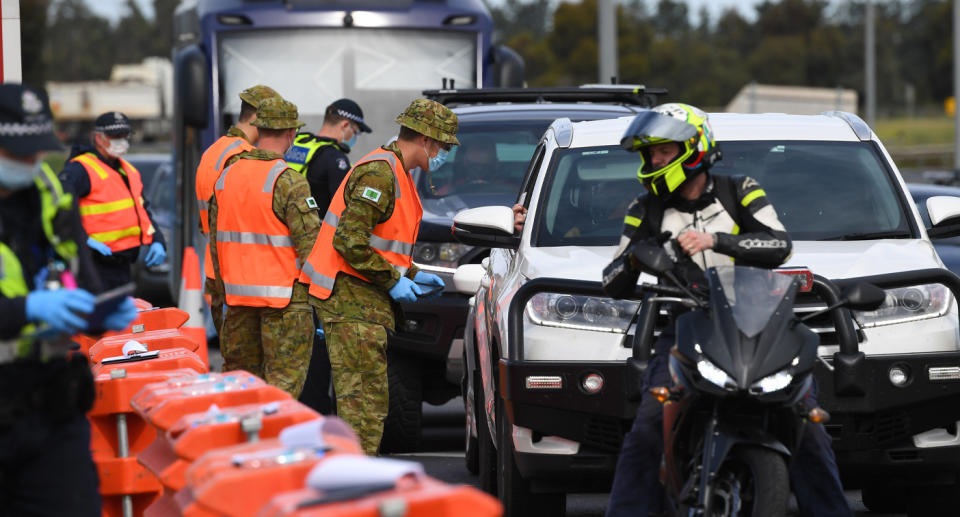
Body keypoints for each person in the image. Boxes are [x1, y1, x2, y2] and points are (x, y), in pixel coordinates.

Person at [600, 103, 850, 517]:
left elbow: (779, 244)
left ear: (694, 148)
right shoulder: (644, 209)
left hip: (758, 329)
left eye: (663, 151)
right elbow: (611, 281)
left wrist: (718, 242)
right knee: (648, 426)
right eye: (651, 154)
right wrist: (637, 259)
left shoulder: (741, 189)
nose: (654, 161)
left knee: (808, 422)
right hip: (685, 332)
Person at [0, 83, 137, 515]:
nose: (30, 162)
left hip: (49, 403)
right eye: (17, 152)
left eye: (36, 151)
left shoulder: (50, 196)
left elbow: (83, 279)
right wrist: (27, 310)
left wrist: (102, 311)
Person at [298, 98, 455, 454]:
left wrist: (413, 273)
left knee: (368, 408)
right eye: (443, 146)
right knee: (362, 413)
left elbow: (380, 246)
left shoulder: (394, 171)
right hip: (353, 307)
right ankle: (353, 489)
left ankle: (353, 482)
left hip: (361, 306)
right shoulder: (381, 173)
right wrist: (394, 281)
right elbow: (350, 242)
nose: (444, 154)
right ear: (428, 140)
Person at [208, 96, 321, 397]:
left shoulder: (225, 176)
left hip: (237, 303)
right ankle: (273, 445)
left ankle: (241, 443)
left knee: (240, 390)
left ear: (258, 131)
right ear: (290, 134)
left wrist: (222, 297)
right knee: (280, 393)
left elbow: (215, 246)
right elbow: (312, 251)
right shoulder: (289, 182)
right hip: (284, 305)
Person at [195, 84, 279, 337]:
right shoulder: (242, 157)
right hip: (242, 280)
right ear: (257, 118)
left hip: (219, 273)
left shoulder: (215, 150)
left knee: (235, 366)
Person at [58, 111, 167, 290]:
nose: (121, 141)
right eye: (115, 136)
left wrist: (157, 239)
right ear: (98, 138)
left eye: (125, 136)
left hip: (123, 266)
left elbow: (142, 211)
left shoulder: (128, 171)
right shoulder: (80, 170)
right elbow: (59, 208)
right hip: (93, 265)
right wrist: (83, 240)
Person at [285, 98, 372, 211]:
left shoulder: (296, 143)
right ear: (345, 125)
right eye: (356, 132)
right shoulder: (335, 158)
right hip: (315, 225)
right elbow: (343, 209)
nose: (355, 137)